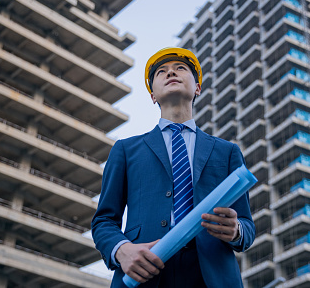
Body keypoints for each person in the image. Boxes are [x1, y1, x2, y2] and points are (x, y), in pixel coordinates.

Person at [91, 47, 255, 287]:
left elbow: (247, 225)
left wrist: (236, 230)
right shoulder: (126, 150)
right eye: (161, 72)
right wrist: (122, 251)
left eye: (180, 68)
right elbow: (104, 220)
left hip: (212, 276)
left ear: (197, 88)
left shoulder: (227, 152)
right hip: (144, 272)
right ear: (153, 96)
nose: (171, 73)